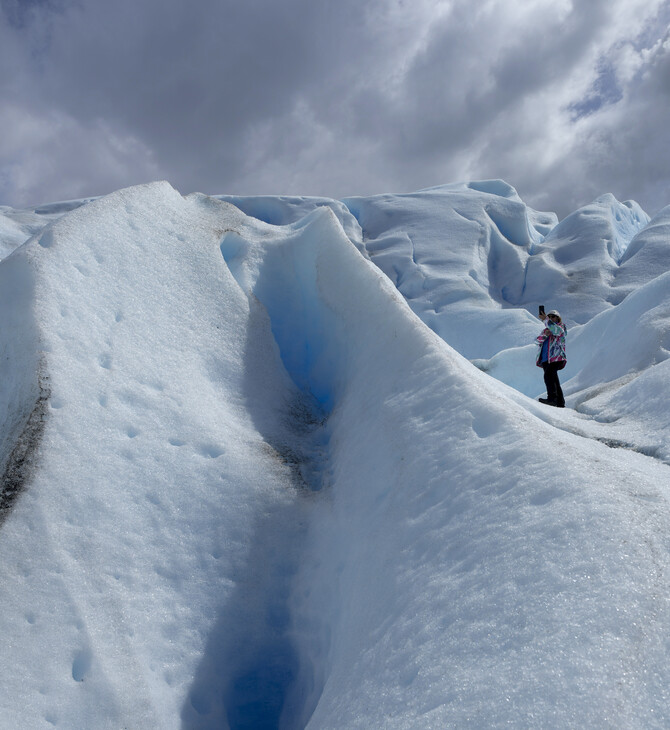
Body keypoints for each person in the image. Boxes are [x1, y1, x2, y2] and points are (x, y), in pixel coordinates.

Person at [536, 309, 566, 408]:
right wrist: (545, 335)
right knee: (554, 380)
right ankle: (560, 403)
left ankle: (552, 399)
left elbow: (557, 331)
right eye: (550, 316)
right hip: (545, 359)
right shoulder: (546, 330)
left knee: (548, 376)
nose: (551, 318)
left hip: (556, 357)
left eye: (553, 316)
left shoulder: (561, 327)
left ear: (558, 318)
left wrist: (546, 319)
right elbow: (537, 341)